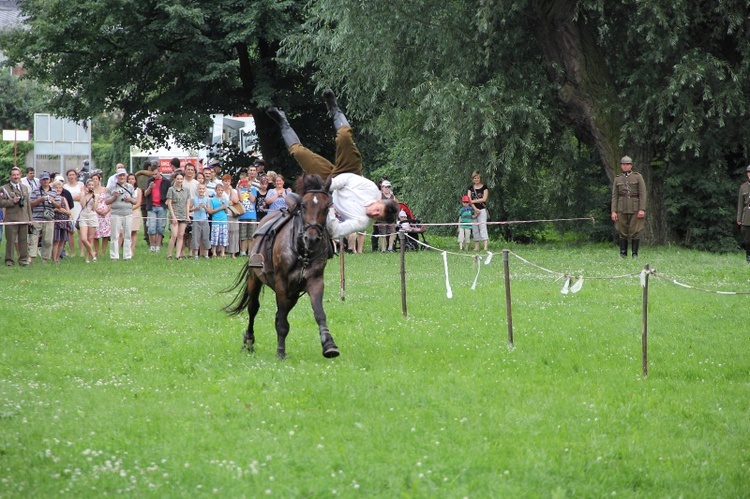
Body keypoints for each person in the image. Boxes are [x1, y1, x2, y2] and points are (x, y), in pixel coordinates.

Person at [266, 89, 399, 238]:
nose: (373, 214)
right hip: (349, 171)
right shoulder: (372, 189)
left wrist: (328, 207)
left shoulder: (362, 222)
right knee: (344, 138)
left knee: (299, 153)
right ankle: (334, 108)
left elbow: (335, 232)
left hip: (329, 185)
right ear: (379, 200)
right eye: (378, 210)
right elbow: (346, 179)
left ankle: (283, 123)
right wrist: (327, 186)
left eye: (377, 217)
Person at [611, 155, 646, 258]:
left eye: (627, 164)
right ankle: (623, 253)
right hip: (621, 207)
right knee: (622, 231)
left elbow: (642, 193)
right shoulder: (617, 179)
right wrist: (614, 211)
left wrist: (642, 209)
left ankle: (634, 254)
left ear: (631, 165)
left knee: (635, 231)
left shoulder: (637, 177)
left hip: (635, 207)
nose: (625, 166)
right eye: (623, 164)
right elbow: (614, 195)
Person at [0, 167, 32, 266]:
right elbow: (1, 203)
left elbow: (28, 205)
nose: (16, 177)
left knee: (23, 241)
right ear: (10, 176)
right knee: (10, 241)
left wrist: (30, 219)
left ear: (20, 175)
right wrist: (11, 201)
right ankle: (9, 261)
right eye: (14, 175)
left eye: (17, 175)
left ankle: (23, 260)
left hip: (23, 218)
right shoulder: (4, 188)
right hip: (11, 218)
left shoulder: (25, 188)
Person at [28, 172, 62, 264]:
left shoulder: (54, 192)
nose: (45, 181)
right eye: (43, 179)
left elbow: (59, 205)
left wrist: (52, 201)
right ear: (40, 180)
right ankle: (31, 258)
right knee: (33, 238)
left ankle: (45, 259)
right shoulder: (35, 191)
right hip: (36, 219)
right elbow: (31, 204)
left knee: (48, 240)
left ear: (50, 180)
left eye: (47, 179)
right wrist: (41, 199)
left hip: (49, 219)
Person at [105, 167, 137, 261]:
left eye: (123, 175)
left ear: (126, 176)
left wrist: (129, 199)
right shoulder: (112, 187)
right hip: (116, 213)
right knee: (115, 235)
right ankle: (114, 256)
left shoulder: (130, 187)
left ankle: (127, 255)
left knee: (128, 235)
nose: (122, 177)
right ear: (117, 177)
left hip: (128, 213)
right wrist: (114, 196)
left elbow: (135, 201)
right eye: (120, 175)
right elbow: (107, 201)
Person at [144, 166, 171, 252]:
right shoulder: (150, 181)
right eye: (153, 175)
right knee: (151, 228)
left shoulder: (166, 182)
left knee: (160, 228)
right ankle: (152, 246)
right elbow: (145, 194)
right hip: (151, 207)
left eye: (156, 174)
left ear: (160, 172)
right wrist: (150, 188)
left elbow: (169, 193)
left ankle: (158, 246)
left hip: (162, 207)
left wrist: (167, 201)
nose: (154, 176)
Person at [166, 171, 190, 259]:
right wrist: (173, 216)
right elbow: (169, 203)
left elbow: (187, 203)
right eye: (178, 179)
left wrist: (187, 215)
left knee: (181, 235)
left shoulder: (186, 190)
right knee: (174, 235)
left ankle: (178, 255)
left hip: (183, 214)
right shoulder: (171, 189)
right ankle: (169, 254)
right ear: (175, 179)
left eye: (181, 179)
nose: (179, 180)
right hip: (174, 214)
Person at [63, 168, 84, 257]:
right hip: (69, 209)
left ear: (76, 175)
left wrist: (70, 198)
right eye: (69, 175)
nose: (71, 176)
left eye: (73, 174)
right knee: (70, 231)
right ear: (67, 176)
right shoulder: (65, 186)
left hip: (79, 208)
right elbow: (64, 199)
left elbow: (82, 196)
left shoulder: (81, 184)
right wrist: (72, 198)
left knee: (80, 230)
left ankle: (82, 251)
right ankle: (72, 252)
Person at [467, 171, 489, 252]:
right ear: (473, 179)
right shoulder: (470, 188)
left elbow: (484, 199)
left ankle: (485, 246)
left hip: (482, 209)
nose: (476, 179)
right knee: (475, 228)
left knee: (483, 227)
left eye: (478, 178)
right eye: (475, 178)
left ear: (480, 178)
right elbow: (469, 199)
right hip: (473, 210)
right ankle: (476, 246)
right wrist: (474, 208)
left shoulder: (484, 187)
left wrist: (473, 201)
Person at [51, 179, 72, 263]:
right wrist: (57, 210)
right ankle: (54, 258)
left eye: (60, 188)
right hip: (56, 222)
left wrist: (63, 211)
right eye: (56, 188)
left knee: (62, 241)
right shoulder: (52, 198)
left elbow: (69, 212)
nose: (58, 189)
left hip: (64, 221)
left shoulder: (63, 199)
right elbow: (51, 209)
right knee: (56, 240)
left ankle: (57, 258)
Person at [188, 183, 211, 258]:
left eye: (202, 189)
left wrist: (204, 207)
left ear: (204, 190)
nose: (201, 190)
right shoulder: (194, 199)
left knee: (205, 237)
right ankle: (195, 254)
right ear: (197, 190)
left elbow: (209, 211)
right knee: (195, 237)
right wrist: (195, 208)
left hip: (204, 220)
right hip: (196, 220)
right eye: (200, 189)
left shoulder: (207, 199)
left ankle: (206, 254)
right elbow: (189, 209)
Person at [78, 178, 98, 262]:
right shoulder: (82, 194)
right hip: (83, 216)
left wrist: (94, 198)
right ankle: (92, 252)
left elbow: (94, 208)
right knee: (83, 238)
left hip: (92, 216)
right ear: (86, 186)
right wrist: (84, 195)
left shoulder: (96, 195)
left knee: (90, 238)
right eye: (89, 185)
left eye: (92, 185)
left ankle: (88, 258)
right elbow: (82, 205)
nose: (91, 186)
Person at [92, 172, 111, 257]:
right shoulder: (91, 190)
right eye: (93, 179)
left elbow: (110, 200)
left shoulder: (105, 189)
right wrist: (97, 210)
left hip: (106, 213)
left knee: (105, 234)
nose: (95, 181)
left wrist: (107, 210)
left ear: (99, 180)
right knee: (96, 234)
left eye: (96, 179)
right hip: (95, 213)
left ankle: (103, 252)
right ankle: (97, 251)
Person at [237, 178, 257, 256]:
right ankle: (243, 251)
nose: (245, 183)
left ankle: (250, 251)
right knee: (242, 235)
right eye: (243, 182)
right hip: (242, 215)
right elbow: (240, 199)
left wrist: (249, 190)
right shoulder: (239, 190)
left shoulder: (253, 190)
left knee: (251, 235)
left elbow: (252, 200)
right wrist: (239, 188)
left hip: (252, 215)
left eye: (246, 182)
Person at [207, 183, 229, 257]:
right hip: (215, 220)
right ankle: (214, 252)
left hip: (224, 220)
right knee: (215, 237)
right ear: (215, 190)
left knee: (223, 237)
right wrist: (220, 208)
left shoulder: (224, 199)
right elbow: (211, 211)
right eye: (219, 190)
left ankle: (222, 252)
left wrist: (225, 207)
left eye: (222, 190)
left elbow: (227, 211)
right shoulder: (212, 200)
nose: (220, 191)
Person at [221, 174, 241, 257]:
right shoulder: (220, 191)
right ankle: (223, 252)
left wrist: (232, 190)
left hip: (233, 214)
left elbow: (236, 200)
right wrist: (228, 203)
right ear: (222, 182)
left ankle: (233, 253)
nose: (227, 183)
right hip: (223, 214)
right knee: (224, 233)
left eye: (229, 181)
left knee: (234, 234)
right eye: (225, 181)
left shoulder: (234, 191)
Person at [377, 179, 398, 252]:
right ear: (382, 187)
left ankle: (390, 248)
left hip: (390, 217)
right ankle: (383, 249)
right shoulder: (379, 196)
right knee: (383, 234)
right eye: (386, 187)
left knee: (392, 232)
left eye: (389, 187)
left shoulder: (393, 196)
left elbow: (396, 206)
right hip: (382, 218)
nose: (387, 188)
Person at [736, 165, 750, 262]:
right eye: (749, 173)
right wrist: (739, 218)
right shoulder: (743, 187)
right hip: (747, 216)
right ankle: (748, 256)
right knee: (747, 238)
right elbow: (740, 204)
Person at [127, 173, 143, 256]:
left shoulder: (138, 190)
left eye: (132, 179)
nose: (131, 180)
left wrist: (131, 208)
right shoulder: (124, 188)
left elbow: (139, 202)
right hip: (125, 211)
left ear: (135, 180)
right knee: (126, 231)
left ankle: (132, 250)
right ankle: (126, 249)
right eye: (129, 179)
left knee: (133, 232)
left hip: (135, 211)